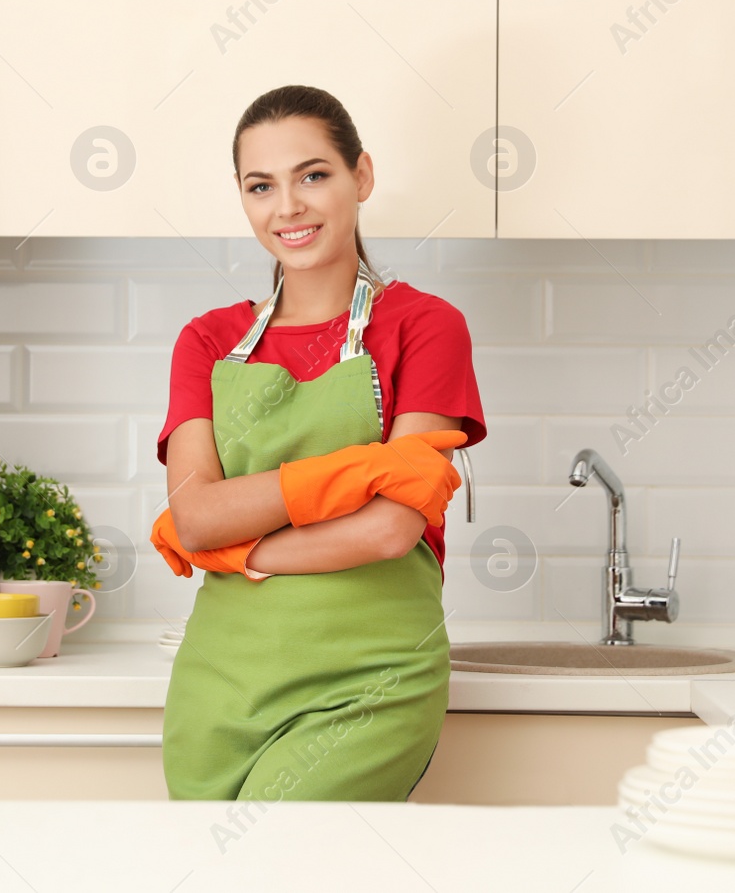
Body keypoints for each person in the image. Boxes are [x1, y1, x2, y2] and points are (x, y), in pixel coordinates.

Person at [152, 84, 487, 803]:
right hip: (222, 681)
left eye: (314, 175)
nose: (288, 207)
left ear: (360, 176)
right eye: (260, 186)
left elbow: (391, 529)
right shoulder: (207, 341)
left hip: (368, 679)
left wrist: (242, 552)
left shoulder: (426, 328)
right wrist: (364, 467)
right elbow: (195, 518)